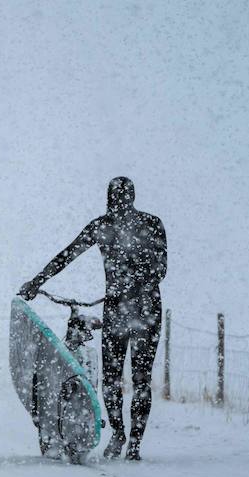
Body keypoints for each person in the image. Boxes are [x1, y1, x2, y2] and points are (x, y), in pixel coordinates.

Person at [19, 177, 167, 460]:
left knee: (138, 378)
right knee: (115, 379)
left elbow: (161, 269)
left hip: (141, 311)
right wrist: (37, 281)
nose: (117, 204)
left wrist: (129, 286)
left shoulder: (147, 225)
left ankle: (132, 443)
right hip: (124, 310)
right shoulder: (108, 226)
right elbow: (67, 255)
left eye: (119, 198)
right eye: (115, 199)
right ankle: (121, 434)